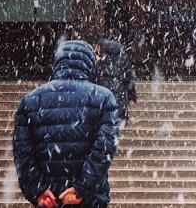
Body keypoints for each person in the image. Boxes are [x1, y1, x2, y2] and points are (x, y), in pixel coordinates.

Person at [12, 39, 119, 208]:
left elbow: (23, 153)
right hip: (90, 199)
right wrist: (81, 188)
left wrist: (38, 190)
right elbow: (104, 149)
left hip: (50, 199)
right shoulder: (104, 98)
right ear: (89, 63)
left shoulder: (31, 101)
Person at [96, 29, 137, 126]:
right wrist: (132, 96)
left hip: (102, 91)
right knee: (118, 120)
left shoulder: (101, 55)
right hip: (119, 92)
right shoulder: (122, 56)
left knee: (103, 121)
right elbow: (129, 77)